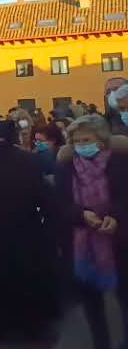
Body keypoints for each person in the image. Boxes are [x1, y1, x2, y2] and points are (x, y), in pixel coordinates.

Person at [0, 121, 60, 346]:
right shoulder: (27, 160)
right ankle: (32, 326)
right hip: (26, 231)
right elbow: (44, 195)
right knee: (27, 278)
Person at [56, 115, 128, 349]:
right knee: (92, 304)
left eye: (87, 139)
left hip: (119, 240)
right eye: (77, 141)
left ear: (101, 140)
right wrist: (81, 214)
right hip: (83, 243)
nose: (81, 145)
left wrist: (115, 216)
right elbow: (60, 202)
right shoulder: (67, 167)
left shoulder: (120, 163)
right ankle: (101, 344)